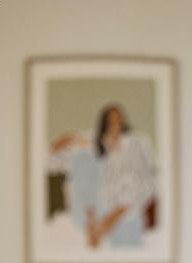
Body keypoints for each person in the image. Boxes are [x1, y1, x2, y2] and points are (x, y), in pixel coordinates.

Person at [49, 104, 157, 248]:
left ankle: (101, 227)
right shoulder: (95, 142)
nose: (115, 124)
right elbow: (55, 156)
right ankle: (94, 225)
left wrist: (113, 217)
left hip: (126, 210)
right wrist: (70, 140)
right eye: (110, 121)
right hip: (98, 206)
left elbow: (145, 185)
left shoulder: (135, 145)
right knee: (83, 161)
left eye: (118, 120)